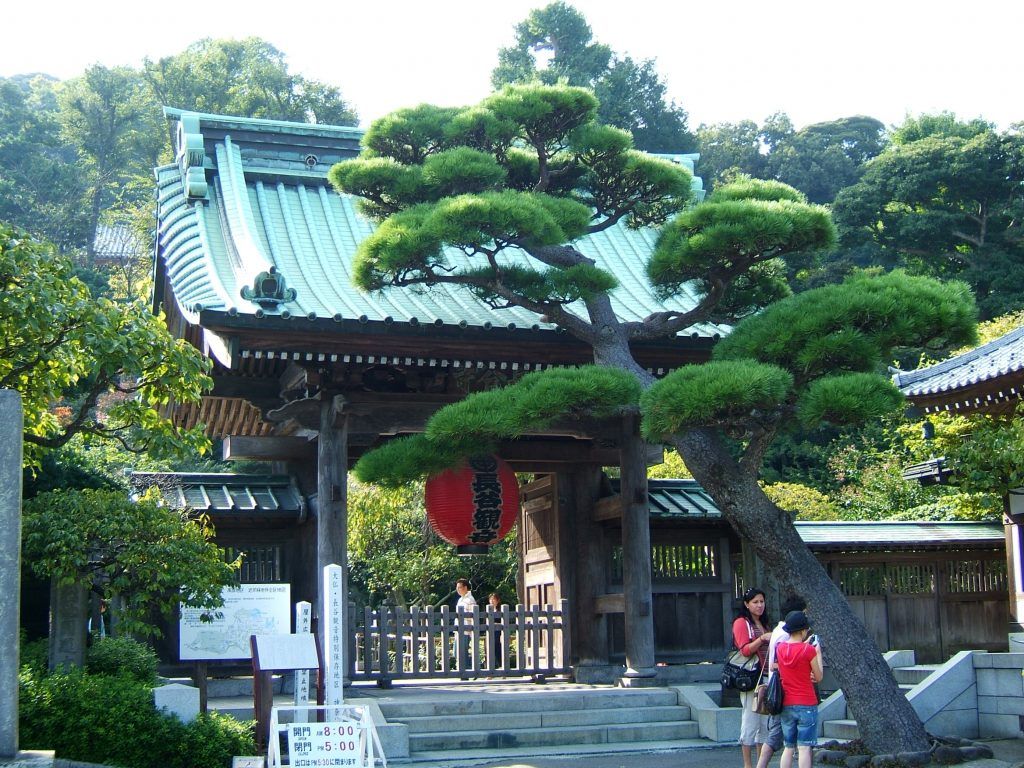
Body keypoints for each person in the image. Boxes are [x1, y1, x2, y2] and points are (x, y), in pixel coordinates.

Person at [756, 595, 810, 768]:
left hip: (780, 687)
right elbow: (779, 664)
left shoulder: (779, 631)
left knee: (781, 737)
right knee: (777, 737)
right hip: (784, 690)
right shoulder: (786, 636)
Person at [776, 610, 823, 768]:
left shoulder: (780, 648)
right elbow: (818, 676)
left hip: (787, 702)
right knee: (804, 748)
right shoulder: (808, 650)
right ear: (803, 630)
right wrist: (817, 652)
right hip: (807, 702)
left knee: (788, 747)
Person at [733, 587, 772, 768]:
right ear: (747, 604)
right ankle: (747, 764)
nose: (759, 605)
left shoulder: (765, 623)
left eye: (762, 601)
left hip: (767, 676)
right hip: (752, 678)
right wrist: (763, 638)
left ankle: (760, 764)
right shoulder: (742, 623)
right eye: (755, 602)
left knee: (764, 723)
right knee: (750, 720)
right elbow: (745, 649)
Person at [454, 578, 477, 674]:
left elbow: (473, 615)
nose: (458, 589)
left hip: (466, 629)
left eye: (460, 587)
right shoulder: (461, 599)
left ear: (465, 587)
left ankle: (469, 671)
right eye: (457, 588)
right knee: (457, 652)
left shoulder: (470, 599)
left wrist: (472, 631)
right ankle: (467, 671)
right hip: (459, 629)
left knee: (462, 652)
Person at [487, 592, 504, 671]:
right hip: (490, 633)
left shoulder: (501, 610)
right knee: (490, 650)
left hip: (498, 633)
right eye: (491, 599)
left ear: (498, 600)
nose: (492, 601)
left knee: (498, 649)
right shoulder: (488, 610)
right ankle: (491, 669)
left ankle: (501, 667)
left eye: (494, 599)